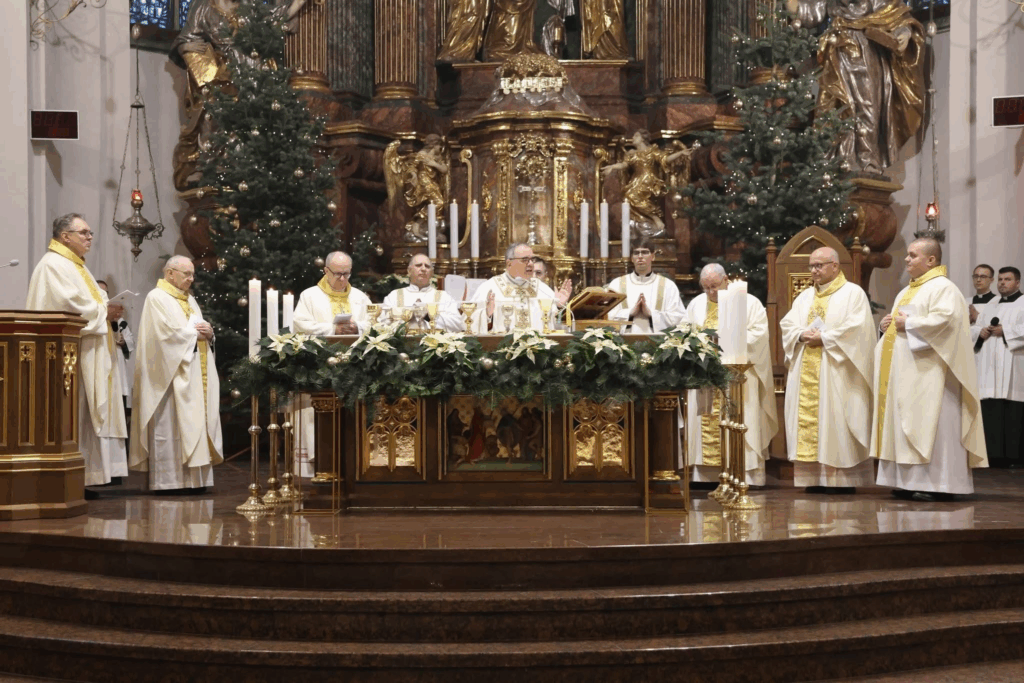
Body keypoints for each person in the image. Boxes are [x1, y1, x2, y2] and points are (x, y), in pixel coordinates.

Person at [873, 238, 988, 501]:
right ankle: (906, 482)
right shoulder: (906, 291)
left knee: (934, 426)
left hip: (934, 376)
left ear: (931, 260)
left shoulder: (944, 288)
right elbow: (900, 325)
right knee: (904, 424)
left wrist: (909, 324)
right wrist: (887, 326)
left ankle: (939, 485)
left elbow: (947, 323)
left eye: (913, 255)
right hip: (906, 373)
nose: (907, 259)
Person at [26, 213, 128, 496]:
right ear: (65, 236)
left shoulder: (75, 265)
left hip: (85, 351)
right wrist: (103, 311)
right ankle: (66, 482)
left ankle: (82, 479)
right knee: (72, 416)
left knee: (83, 417)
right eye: (83, 232)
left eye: (90, 232)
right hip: (67, 357)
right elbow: (67, 305)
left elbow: (91, 301)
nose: (89, 237)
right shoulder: (53, 265)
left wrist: (107, 309)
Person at [786, 0, 925, 174]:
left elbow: (895, 13)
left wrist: (903, 31)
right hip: (838, 50)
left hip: (867, 49)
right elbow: (815, 10)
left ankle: (868, 160)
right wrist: (797, 8)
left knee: (867, 105)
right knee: (833, 105)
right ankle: (837, 159)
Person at [779, 247, 877, 492]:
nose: (814, 271)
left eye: (819, 265)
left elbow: (859, 329)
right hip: (807, 367)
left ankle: (841, 481)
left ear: (835, 265)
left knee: (836, 420)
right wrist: (801, 334)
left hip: (838, 371)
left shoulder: (853, 293)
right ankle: (813, 478)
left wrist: (825, 337)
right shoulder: (804, 297)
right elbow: (788, 324)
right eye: (812, 266)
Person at [130, 256, 223, 492]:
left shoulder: (190, 299)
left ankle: (196, 481)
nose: (191, 279)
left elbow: (197, 330)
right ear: (170, 273)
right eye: (186, 274)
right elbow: (162, 336)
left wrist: (209, 333)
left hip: (193, 371)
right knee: (170, 424)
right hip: (168, 377)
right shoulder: (156, 297)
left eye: (192, 274)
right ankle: (170, 482)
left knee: (195, 422)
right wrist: (195, 335)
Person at [685, 264, 778, 486]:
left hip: (738, 376)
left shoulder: (749, 303)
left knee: (740, 417)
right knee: (705, 421)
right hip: (706, 376)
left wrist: (727, 339)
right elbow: (685, 333)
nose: (711, 292)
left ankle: (744, 475)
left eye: (714, 286)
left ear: (726, 279)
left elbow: (759, 335)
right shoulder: (696, 304)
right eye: (706, 287)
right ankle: (706, 476)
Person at [971, 266, 1024, 469]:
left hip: (1013, 365)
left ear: (1017, 282)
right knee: (991, 409)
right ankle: (992, 456)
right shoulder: (991, 304)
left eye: (1007, 279)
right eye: (1000, 279)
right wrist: (981, 332)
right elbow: (975, 327)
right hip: (989, 367)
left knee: (1012, 411)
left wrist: (1006, 331)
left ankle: (1014, 458)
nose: (1002, 283)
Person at [600, 129, 690, 239]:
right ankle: (640, 222)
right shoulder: (632, 153)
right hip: (636, 180)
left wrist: (680, 153)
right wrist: (612, 166)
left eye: (636, 136)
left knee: (631, 196)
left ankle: (656, 219)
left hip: (649, 180)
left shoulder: (652, 151)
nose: (633, 138)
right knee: (628, 198)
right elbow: (624, 165)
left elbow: (665, 159)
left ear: (642, 138)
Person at [470, 243, 572, 333]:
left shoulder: (541, 287)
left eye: (532, 260)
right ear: (509, 263)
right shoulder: (490, 287)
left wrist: (559, 306)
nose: (531, 264)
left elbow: (555, 325)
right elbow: (468, 321)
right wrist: (487, 314)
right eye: (525, 260)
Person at [605, 239, 687, 334]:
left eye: (645, 252)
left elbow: (678, 317)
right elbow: (607, 317)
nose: (640, 256)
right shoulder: (616, 284)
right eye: (636, 253)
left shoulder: (668, 286)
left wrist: (651, 314)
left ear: (653, 256)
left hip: (658, 341)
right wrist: (630, 312)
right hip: (623, 340)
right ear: (632, 258)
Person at [292, 251, 371, 336]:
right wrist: (333, 329)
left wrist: (357, 328)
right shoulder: (309, 295)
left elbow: (374, 323)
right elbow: (300, 325)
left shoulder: (361, 297)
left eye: (346, 274)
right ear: (326, 271)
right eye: (338, 274)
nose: (342, 278)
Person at [96, 280, 134, 455]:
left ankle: (119, 455)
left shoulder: (120, 321)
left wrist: (123, 341)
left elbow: (130, 341)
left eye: (106, 292)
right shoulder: (93, 316)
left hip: (117, 371)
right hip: (99, 371)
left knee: (120, 414)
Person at [382, 254, 466, 332]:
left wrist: (429, 316)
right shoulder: (394, 296)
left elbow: (457, 324)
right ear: (409, 271)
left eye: (427, 266)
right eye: (418, 265)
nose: (423, 269)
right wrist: (407, 318)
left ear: (432, 273)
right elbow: (382, 323)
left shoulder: (444, 297)